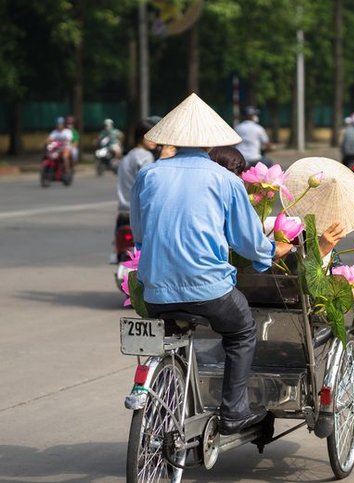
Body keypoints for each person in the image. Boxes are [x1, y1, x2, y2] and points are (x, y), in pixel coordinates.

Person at [131, 93, 293, 435]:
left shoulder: (149, 175)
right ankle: (233, 411)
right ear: (211, 141)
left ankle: (169, 401)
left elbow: (141, 234)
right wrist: (270, 253)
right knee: (241, 331)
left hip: (155, 290)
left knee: (172, 336)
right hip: (209, 290)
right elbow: (249, 242)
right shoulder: (227, 181)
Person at [115, 118, 159, 262]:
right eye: (151, 136)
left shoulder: (127, 157)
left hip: (122, 213)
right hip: (138, 214)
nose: (155, 140)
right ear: (141, 136)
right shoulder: (145, 157)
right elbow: (150, 187)